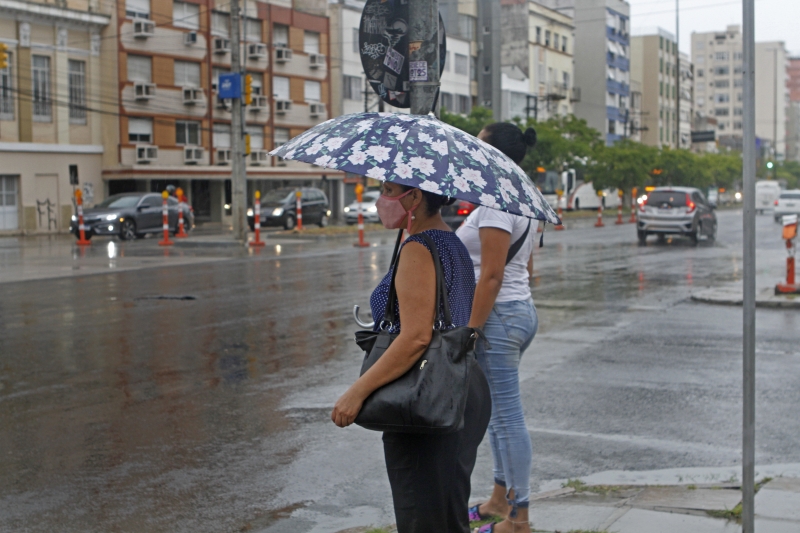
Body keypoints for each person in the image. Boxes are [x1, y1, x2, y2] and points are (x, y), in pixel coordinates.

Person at [331, 180, 491, 533]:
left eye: (388, 191)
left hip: (427, 396)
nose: (379, 202)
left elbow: (416, 338)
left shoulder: (419, 249)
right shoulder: (451, 240)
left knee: (422, 519)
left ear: (414, 197)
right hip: (461, 385)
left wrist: (355, 393)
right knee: (447, 514)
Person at [455, 123, 539, 533]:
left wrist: (471, 329)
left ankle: (519, 518)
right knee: (495, 416)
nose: (472, 147)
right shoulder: (522, 196)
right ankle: (499, 499)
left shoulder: (495, 204)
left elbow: (491, 276)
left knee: (506, 418)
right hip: (517, 311)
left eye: (478, 141)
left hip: (498, 318)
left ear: (492, 152)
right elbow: (526, 265)